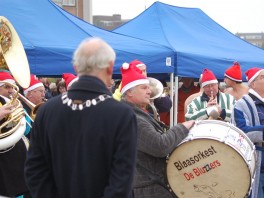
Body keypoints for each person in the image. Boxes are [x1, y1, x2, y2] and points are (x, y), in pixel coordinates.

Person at [25, 37, 137, 198]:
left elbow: (34, 171)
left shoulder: (46, 111)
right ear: (110, 67)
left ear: (76, 67)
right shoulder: (122, 115)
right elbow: (122, 180)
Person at [120, 61, 194, 197]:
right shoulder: (134, 119)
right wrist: (182, 127)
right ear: (129, 92)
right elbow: (160, 146)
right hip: (149, 189)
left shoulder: (135, 114)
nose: (149, 91)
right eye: (144, 88)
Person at [231, 67, 264, 198]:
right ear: (252, 83)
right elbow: (240, 132)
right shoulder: (241, 105)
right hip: (253, 162)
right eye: (263, 77)